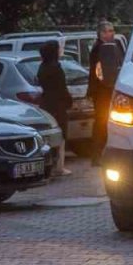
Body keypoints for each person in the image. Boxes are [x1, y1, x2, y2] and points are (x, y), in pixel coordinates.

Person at [89, 21, 125, 166]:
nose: (112, 33)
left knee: (105, 123)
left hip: (105, 90)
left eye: (112, 30)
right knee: (101, 123)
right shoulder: (101, 48)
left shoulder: (108, 46)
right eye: (108, 31)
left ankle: (100, 154)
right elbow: (100, 72)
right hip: (102, 91)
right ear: (101, 33)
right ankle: (97, 156)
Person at [37, 41, 74, 176]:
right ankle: (59, 166)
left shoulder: (42, 67)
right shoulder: (56, 69)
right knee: (61, 134)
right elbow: (62, 88)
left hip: (46, 103)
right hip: (58, 105)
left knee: (50, 134)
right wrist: (69, 100)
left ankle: (51, 165)